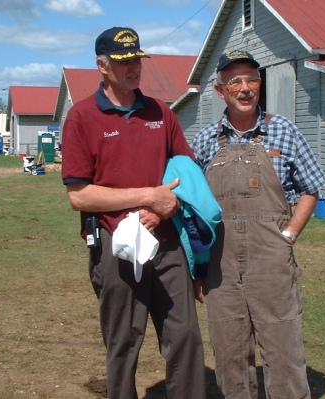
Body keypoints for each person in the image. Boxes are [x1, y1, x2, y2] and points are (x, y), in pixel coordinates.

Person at [61, 27, 206, 399]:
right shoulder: (81, 117)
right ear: (102, 65)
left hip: (167, 239)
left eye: (137, 60)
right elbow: (79, 196)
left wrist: (163, 208)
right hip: (115, 242)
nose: (134, 68)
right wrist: (147, 197)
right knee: (124, 339)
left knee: (185, 334)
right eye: (125, 61)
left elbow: (185, 169)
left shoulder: (161, 112)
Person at [191, 50, 325, 399]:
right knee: (229, 350)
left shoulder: (283, 131)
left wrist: (289, 234)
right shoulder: (205, 140)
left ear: (259, 84)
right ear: (220, 91)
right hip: (220, 263)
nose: (244, 88)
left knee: (283, 348)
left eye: (251, 79)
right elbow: (194, 204)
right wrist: (199, 263)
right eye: (234, 81)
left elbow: (311, 188)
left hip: (272, 259)